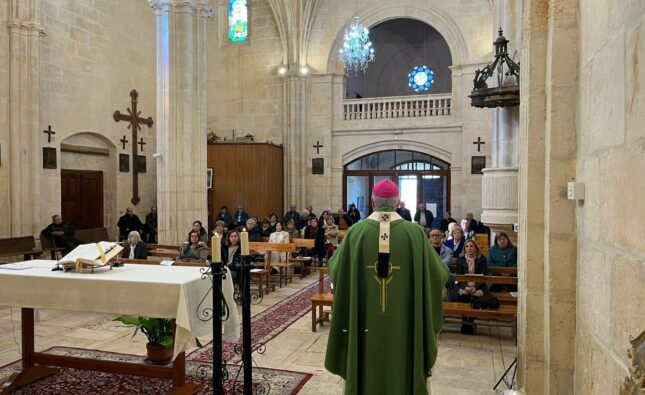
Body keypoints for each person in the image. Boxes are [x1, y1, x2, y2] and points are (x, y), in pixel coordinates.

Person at [325, 179, 449, 394]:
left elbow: (335, 270)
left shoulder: (356, 233)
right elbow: (439, 274)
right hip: (404, 323)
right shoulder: (415, 233)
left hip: (364, 322)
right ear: (397, 203)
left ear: (373, 203)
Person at [451, 239, 489, 334]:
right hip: (464, 285)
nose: (469, 248)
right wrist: (465, 287)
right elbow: (459, 277)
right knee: (464, 296)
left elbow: (484, 277)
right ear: (464, 249)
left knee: (474, 297)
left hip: (478, 286)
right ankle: (465, 323)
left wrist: (475, 287)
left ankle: (470, 322)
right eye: (467, 246)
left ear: (476, 248)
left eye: (471, 246)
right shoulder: (461, 260)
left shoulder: (482, 260)